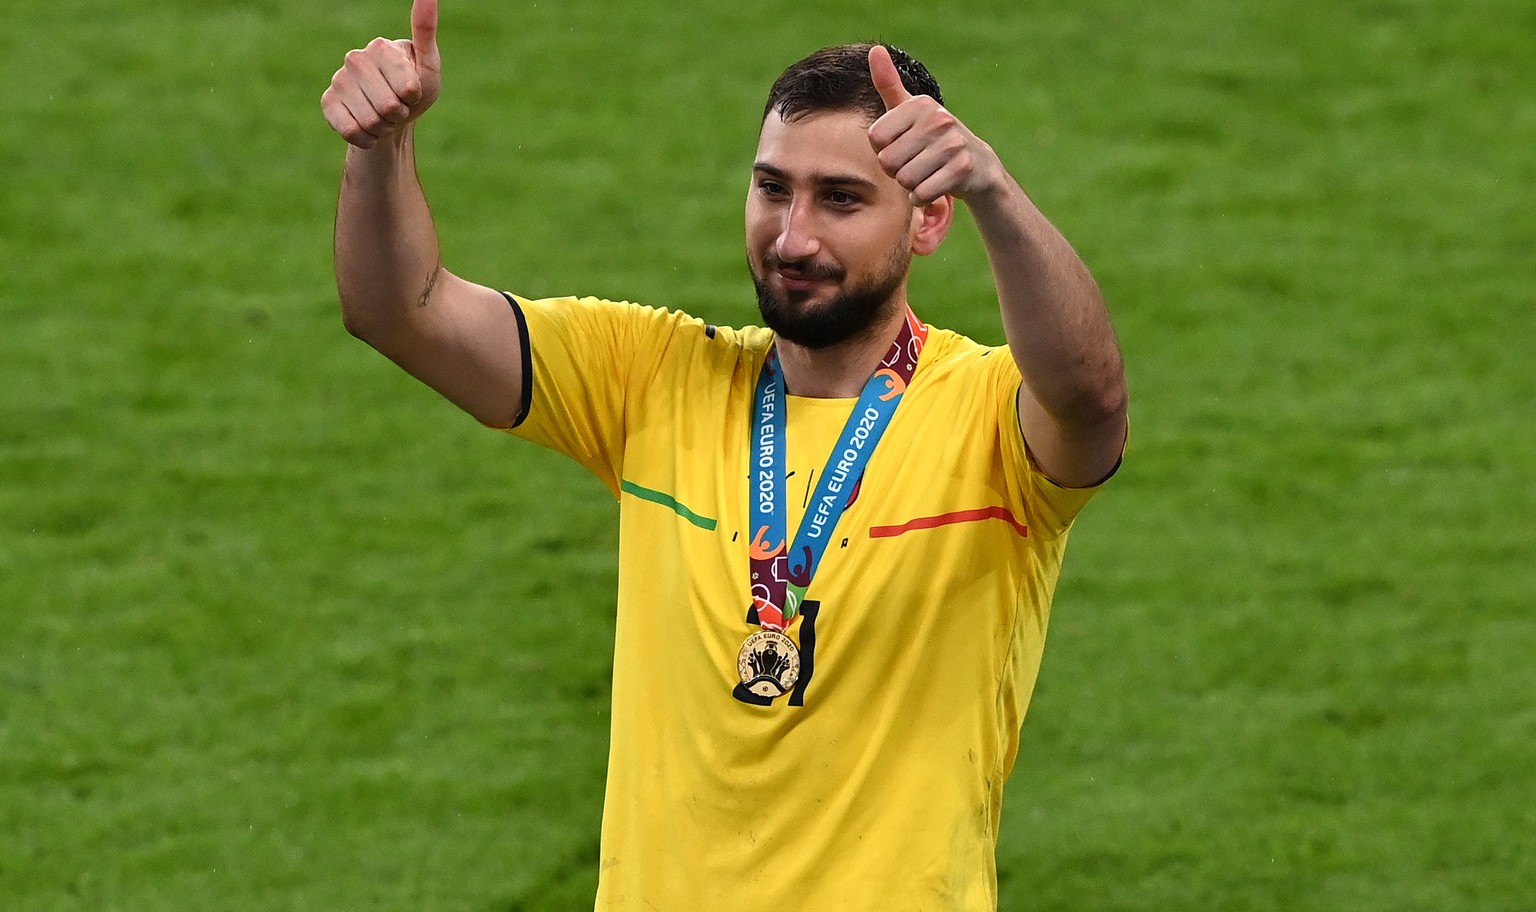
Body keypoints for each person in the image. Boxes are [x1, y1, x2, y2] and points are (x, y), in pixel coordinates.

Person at [322, 1, 1128, 908]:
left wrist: (997, 192)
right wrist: (378, 147)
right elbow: (402, 309)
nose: (792, 237)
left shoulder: (985, 418)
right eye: (773, 188)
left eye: (842, 199)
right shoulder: (651, 374)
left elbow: (1090, 397)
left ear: (929, 218)